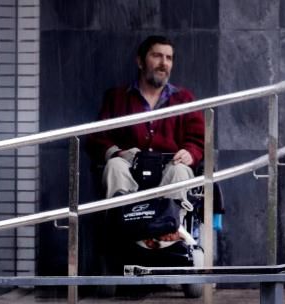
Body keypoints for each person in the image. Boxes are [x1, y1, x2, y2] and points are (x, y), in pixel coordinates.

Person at [86, 35, 204, 247]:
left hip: (168, 166)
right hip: (131, 166)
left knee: (181, 171)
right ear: (140, 61)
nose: (163, 63)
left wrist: (190, 152)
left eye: (168, 58)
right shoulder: (117, 97)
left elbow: (198, 141)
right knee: (114, 166)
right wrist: (117, 152)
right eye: (157, 56)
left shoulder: (184, 99)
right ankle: (125, 231)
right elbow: (97, 138)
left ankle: (169, 230)